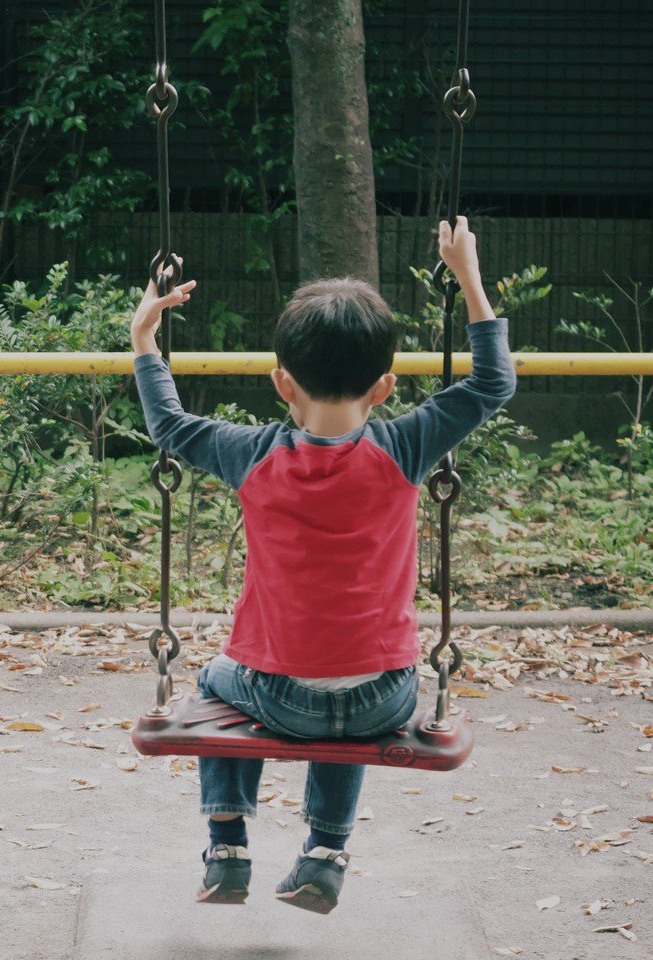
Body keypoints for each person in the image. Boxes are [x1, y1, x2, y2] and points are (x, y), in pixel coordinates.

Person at [130, 217, 515, 913]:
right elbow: (492, 384)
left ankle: (226, 844)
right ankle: (326, 852)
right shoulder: (406, 447)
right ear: (385, 387)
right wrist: (468, 277)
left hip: (278, 695)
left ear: (283, 384)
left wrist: (145, 342)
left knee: (217, 678)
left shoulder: (249, 455)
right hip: (386, 697)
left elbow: (170, 425)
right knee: (351, 700)